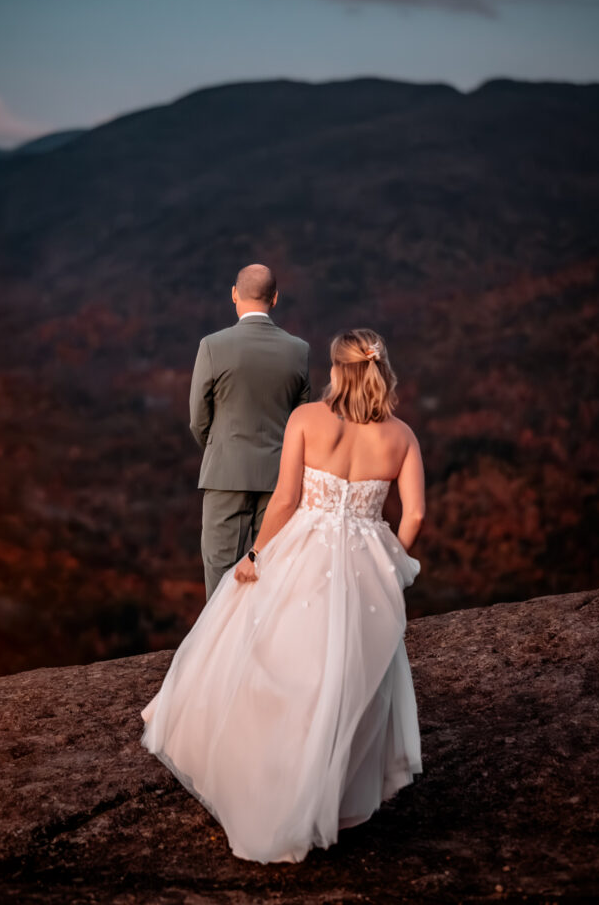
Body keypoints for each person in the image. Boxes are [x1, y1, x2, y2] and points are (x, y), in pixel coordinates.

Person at [141, 328, 424, 864]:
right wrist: (393, 562)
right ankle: (329, 797)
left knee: (274, 662)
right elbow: (415, 515)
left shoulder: (306, 420)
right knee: (346, 678)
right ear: (381, 370)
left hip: (303, 552)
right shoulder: (402, 437)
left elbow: (286, 500)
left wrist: (255, 556)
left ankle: (268, 785)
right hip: (366, 566)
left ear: (338, 371)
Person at [189, 263, 310, 598]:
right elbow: (302, 422)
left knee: (220, 567)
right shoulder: (298, 350)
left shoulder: (213, 346)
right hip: (279, 477)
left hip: (225, 471)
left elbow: (198, 418)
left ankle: (224, 643)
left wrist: (220, 450)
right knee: (272, 564)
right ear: (275, 298)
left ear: (234, 294)